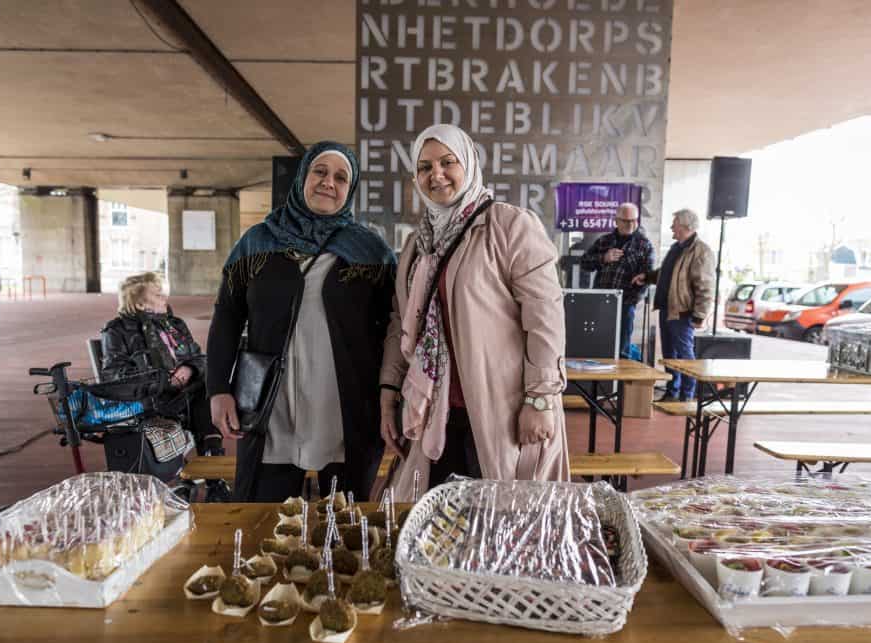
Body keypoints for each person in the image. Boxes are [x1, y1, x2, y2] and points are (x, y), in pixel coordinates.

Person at [379, 123, 569, 494]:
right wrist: (389, 387)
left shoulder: (509, 224)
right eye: (425, 166)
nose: (436, 174)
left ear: (468, 163)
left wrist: (541, 398)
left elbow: (544, 316)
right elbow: (402, 321)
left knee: (505, 522)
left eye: (447, 162)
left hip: (503, 410)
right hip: (439, 412)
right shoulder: (419, 245)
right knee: (442, 525)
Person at [206, 141, 396, 503]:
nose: (329, 182)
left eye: (341, 177)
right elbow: (227, 315)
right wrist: (218, 388)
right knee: (261, 512)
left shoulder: (371, 252)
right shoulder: (257, 243)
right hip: (272, 403)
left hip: (345, 403)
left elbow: (395, 326)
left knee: (346, 522)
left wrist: (392, 393)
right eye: (320, 172)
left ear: (350, 190)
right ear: (302, 177)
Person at [100, 272, 223, 456]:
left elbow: (200, 358)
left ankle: (213, 460)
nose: (165, 298)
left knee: (213, 387)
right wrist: (164, 379)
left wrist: (189, 369)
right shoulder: (117, 330)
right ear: (140, 304)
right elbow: (114, 374)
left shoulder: (175, 325)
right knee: (207, 397)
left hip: (185, 393)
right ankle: (214, 462)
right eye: (157, 295)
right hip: (153, 398)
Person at [632, 208, 715, 401]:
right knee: (670, 354)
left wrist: (699, 316)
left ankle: (687, 395)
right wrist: (648, 277)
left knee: (684, 356)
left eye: (675, 224)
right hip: (668, 309)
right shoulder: (677, 247)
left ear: (686, 226)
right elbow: (667, 272)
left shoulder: (701, 251)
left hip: (683, 312)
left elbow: (705, 286)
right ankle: (672, 392)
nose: (672, 228)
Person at [579, 202, 655, 358]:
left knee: (622, 349)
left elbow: (648, 276)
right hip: (600, 301)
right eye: (626, 221)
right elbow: (584, 263)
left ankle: (619, 382)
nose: (631, 224)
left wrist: (632, 300)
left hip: (626, 303)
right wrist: (603, 258)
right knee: (597, 344)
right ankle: (598, 381)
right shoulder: (604, 241)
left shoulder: (644, 245)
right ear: (617, 221)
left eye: (634, 220)